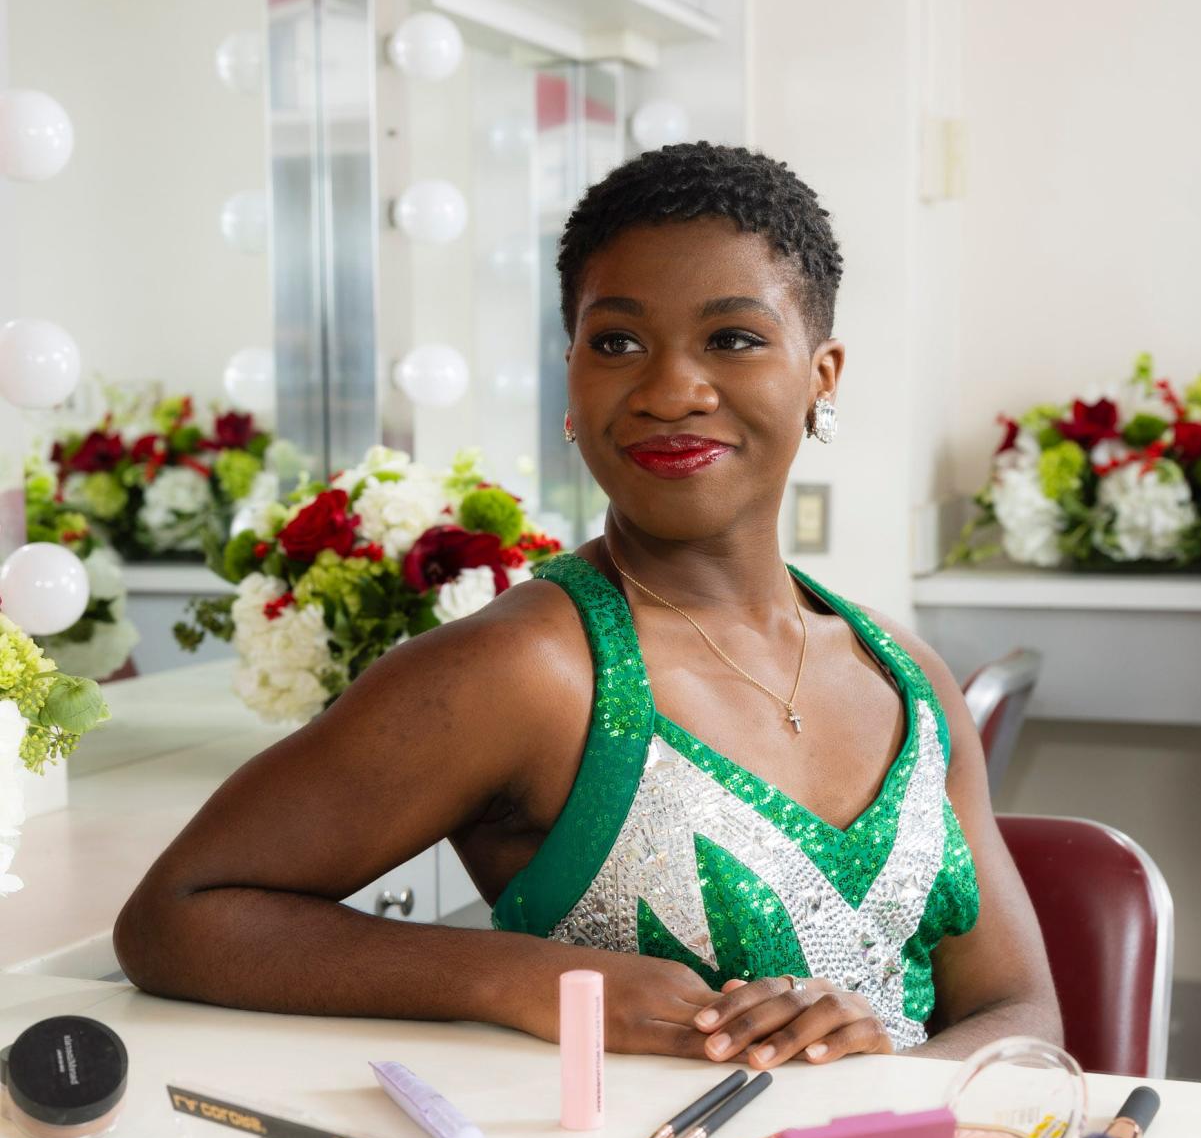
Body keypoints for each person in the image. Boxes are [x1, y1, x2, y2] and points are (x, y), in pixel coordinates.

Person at [116, 142, 1061, 1067]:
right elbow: (178, 916)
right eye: (617, 342)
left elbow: (1021, 1012)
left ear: (822, 374)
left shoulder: (908, 675)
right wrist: (525, 979)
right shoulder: (527, 671)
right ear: (571, 376)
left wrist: (882, 1089)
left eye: (733, 338)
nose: (670, 390)